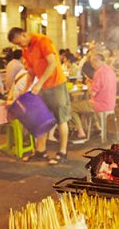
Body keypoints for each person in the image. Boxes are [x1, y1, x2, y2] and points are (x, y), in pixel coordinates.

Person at [7, 28, 71, 165]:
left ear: (24, 34)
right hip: (42, 86)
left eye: (20, 42)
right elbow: (30, 72)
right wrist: (26, 89)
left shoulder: (42, 40)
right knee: (41, 118)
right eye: (17, 45)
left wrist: (39, 83)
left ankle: (62, 152)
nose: (20, 46)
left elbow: (53, 63)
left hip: (56, 84)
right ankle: (40, 151)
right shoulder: (26, 49)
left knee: (61, 118)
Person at [70, 53, 117, 141]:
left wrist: (88, 84)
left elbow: (92, 93)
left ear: (96, 61)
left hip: (100, 104)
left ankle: (80, 132)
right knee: (86, 102)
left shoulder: (99, 73)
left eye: (92, 63)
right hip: (110, 103)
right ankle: (97, 127)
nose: (92, 65)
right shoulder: (110, 70)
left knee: (70, 107)